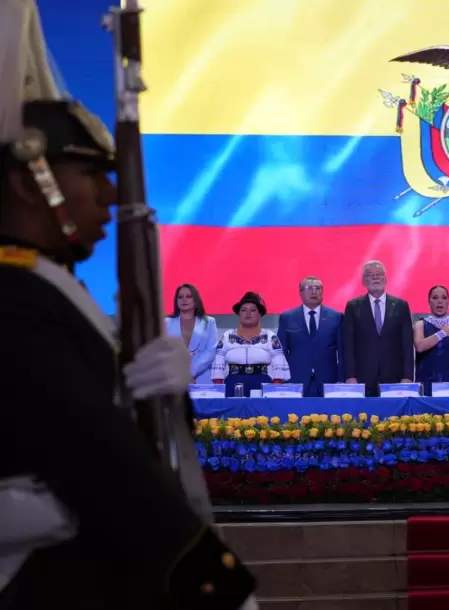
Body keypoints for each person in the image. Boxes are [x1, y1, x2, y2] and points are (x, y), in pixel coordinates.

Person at [0, 1, 257, 607]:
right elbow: (97, 457)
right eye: (91, 174)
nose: (110, 195)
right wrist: (214, 584)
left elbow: (118, 428)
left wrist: (158, 393)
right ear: (28, 183)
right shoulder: (15, 296)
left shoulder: (46, 285)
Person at [342, 260, 414, 397]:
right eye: (370, 274)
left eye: (379, 274)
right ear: (364, 281)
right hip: (363, 377)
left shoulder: (401, 306)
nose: (375, 277)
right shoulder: (353, 306)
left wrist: (408, 376)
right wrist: (350, 376)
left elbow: (407, 344)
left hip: (394, 376)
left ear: (385, 279)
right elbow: (348, 345)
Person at [211, 292, 290, 397]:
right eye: (244, 310)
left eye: (252, 310)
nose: (248, 313)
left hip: (262, 384)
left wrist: (274, 389)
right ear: (239, 314)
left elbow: (279, 363)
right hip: (232, 384)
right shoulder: (226, 336)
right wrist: (219, 390)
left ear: (260, 314)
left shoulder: (270, 337)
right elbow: (218, 363)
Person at [276, 276, 343, 397]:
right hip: (296, 382)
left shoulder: (336, 317)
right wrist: (280, 380)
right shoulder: (287, 318)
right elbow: (281, 353)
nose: (314, 292)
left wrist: (341, 379)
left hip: (328, 382)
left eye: (318, 288)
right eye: (309, 288)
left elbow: (343, 353)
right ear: (300, 293)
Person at [414, 285, 449, 396]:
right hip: (426, 383)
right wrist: (443, 333)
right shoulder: (420, 325)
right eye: (435, 298)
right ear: (429, 302)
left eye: (444, 298)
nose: (440, 301)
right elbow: (420, 346)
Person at [164, 283, 218, 384]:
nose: (184, 300)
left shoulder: (209, 322)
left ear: (196, 300)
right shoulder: (166, 323)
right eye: (180, 297)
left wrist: (190, 373)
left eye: (188, 296)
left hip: (201, 378)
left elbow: (210, 352)